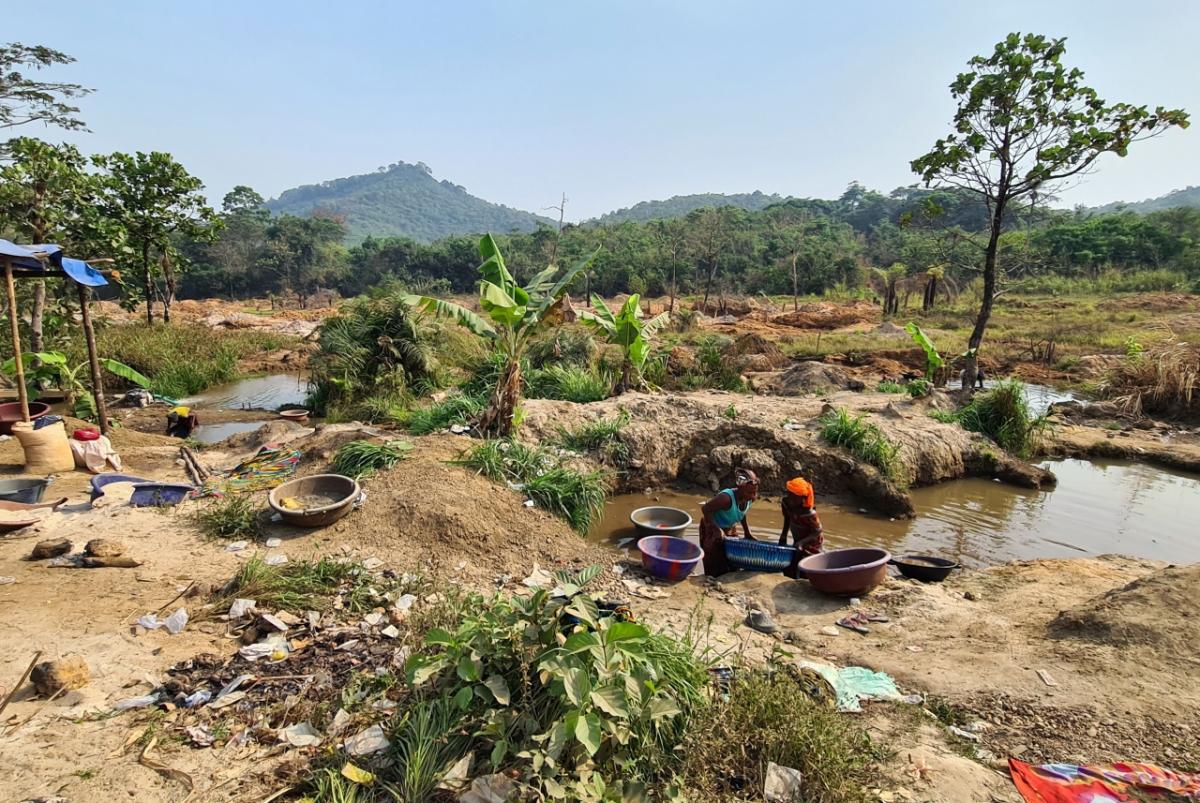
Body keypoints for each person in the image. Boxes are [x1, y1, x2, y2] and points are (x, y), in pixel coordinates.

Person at [698, 468, 759, 576]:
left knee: (732, 559)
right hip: (711, 526)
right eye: (749, 492)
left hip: (729, 527)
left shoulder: (751, 498)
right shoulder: (726, 498)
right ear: (740, 487)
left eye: (754, 492)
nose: (752, 495)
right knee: (713, 561)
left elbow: (742, 513)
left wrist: (747, 532)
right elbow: (705, 509)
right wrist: (716, 528)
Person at [778, 476, 823, 556]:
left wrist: (801, 543)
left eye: (795, 498)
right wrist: (783, 536)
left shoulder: (809, 513)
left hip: (812, 543)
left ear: (803, 498)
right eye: (789, 495)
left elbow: (817, 531)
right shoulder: (786, 504)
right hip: (798, 538)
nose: (791, 500)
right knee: (794, 556)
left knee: (807, 559)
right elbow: (787, 519)